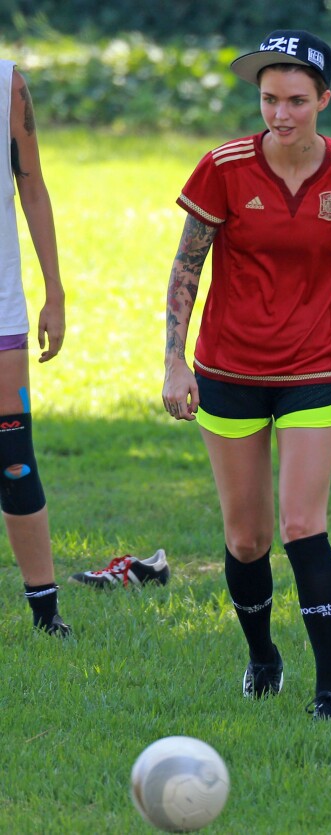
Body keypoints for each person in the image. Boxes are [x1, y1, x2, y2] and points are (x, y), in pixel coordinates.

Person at [162, 30, 331, 721]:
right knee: (247, 539)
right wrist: (174, 359)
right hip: (228, 365)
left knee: (302, 524)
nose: (280, 113)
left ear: (324, 99)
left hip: (313, 365)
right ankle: (263, 654)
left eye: (296, 100)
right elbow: (186, 265)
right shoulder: (223, 167)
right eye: (269, 99)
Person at [0, 60, 71, 635]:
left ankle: (46, 613)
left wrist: (55, 291)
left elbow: (33, 187)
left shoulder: (8, 85)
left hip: (1, 309)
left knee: (15, 458)